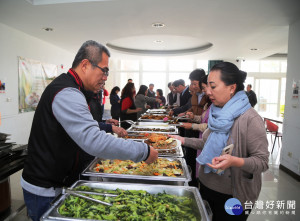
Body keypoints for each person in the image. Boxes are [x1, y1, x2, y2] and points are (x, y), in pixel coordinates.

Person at [21, 40, 158, 221]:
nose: (106, 77)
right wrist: (143, 151)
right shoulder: (66, 92)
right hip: (45, 188)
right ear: (85, 65)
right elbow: (93, 140)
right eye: (104, 70)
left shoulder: (75, 89)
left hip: (60, 181)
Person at [171, 62, 269, 220]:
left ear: (232, 87)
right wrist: (182, 140)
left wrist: (234, 161)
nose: (207, 91)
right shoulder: (217, 113)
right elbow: (206, 144)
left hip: (232, 195)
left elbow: (262, 162)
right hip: (207, 185)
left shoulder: (250, 119)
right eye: (207, 86)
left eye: (213, 86)